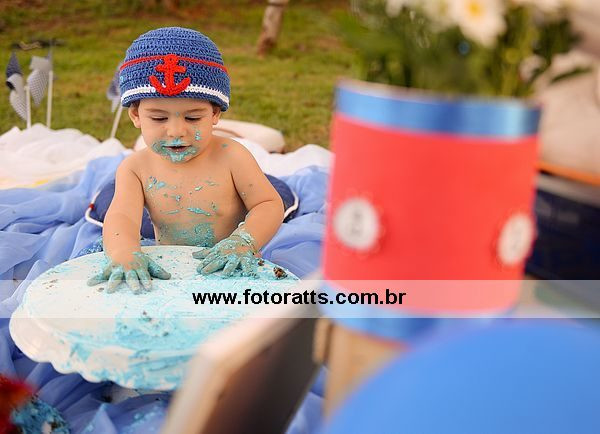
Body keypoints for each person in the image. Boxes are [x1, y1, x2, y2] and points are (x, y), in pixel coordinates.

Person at [87, 27, 284, 293]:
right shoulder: (136, 168)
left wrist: (243, 241)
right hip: (172, 272)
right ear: (135, 115)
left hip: (231, 268)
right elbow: (122, 216)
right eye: (159, 118)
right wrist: (123, 251)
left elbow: (268, 204)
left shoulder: (232, 156)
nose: (176, 131)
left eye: (193, 118)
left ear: (215, 113)